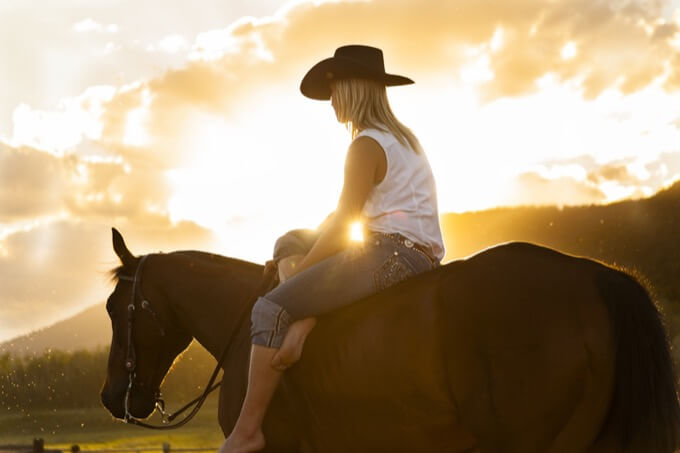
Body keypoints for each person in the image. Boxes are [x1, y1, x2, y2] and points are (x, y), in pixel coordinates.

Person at [219, 44, 445, 453]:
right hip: (413, 253)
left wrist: (303, 268)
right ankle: (306, 313)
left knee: (268, 307)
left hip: (392, 255)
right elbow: (348, 214)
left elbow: (345, 224)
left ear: (354, 88)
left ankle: (247, 431)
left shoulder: (365, 145)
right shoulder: (403, 139)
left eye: (336, 89)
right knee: (288, 240)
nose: (333, 102)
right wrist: (302, 252)